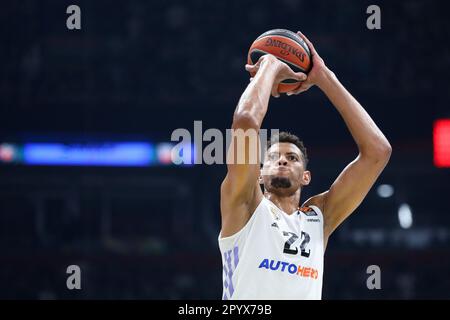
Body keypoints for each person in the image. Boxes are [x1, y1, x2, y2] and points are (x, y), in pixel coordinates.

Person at [219, 31, 392, 300]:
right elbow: (245, 123)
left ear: (306, 177)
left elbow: (378, 152)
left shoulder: (319, 219)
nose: (283, 160)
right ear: (259, 174)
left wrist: (324, 77)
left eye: (293, 158)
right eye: (274, 157)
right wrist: (269, 66)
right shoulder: (244, 204)